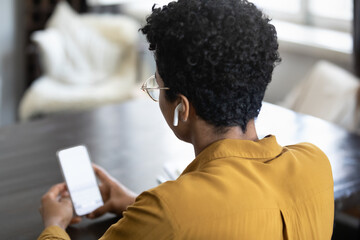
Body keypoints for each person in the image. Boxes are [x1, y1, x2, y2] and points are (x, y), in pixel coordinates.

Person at [38, 0, 334, 239]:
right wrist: (133, 203)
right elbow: (231, 214)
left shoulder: (169, 211)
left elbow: (183, 219)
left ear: (182, 107)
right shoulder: (316, 164)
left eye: (157, 86)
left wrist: (55, 223)